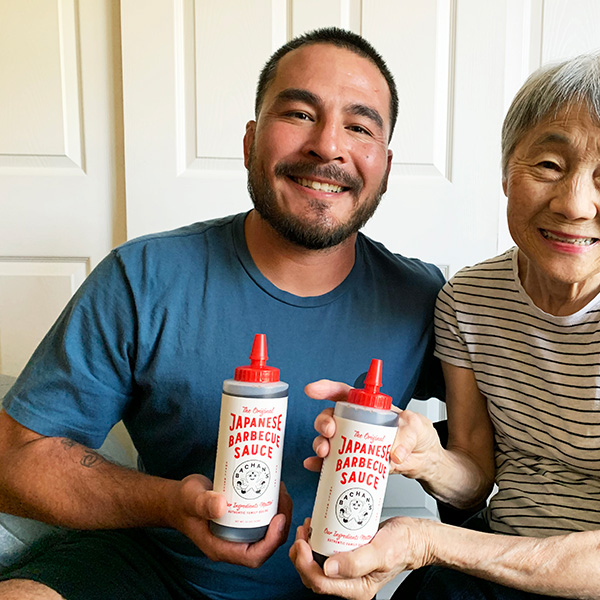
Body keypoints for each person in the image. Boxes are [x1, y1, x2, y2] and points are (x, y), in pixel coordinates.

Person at [290, 48, 600, 600]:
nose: (575, 203)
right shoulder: (467, 300)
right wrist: (426, 458)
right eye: (549, 166)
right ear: (508, 174)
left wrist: (423, 541)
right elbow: (476, 479)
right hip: (526, 565)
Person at [0, 27, 444, 600]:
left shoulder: (422, 297)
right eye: (300, 114)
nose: (328, 146)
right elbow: (14, 462)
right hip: (145, 566)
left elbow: (498, 455)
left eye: (358, 127)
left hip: (326, 586)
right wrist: (170, 503)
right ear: (250, 143)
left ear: (383, 166)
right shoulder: (145, 277)